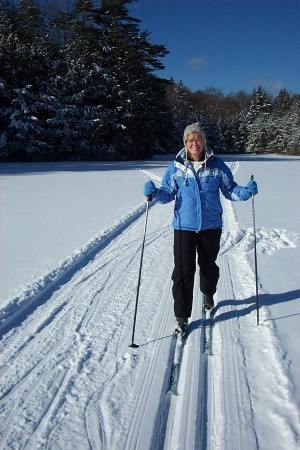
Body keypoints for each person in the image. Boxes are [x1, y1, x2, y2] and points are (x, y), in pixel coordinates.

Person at [143, 122, 258, 335]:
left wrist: (245, 193)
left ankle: (208, 292)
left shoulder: (216, 166)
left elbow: (230, 189)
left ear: (204, 142)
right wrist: (154, 193)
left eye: (197, 139)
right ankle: (182, 316)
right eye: (189, 140)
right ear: (185, 144)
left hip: (211, 226)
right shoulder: (176, 167)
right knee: (183, 272)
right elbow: (168, 193)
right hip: (183, 227)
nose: (193, 143)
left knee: (207, 266)